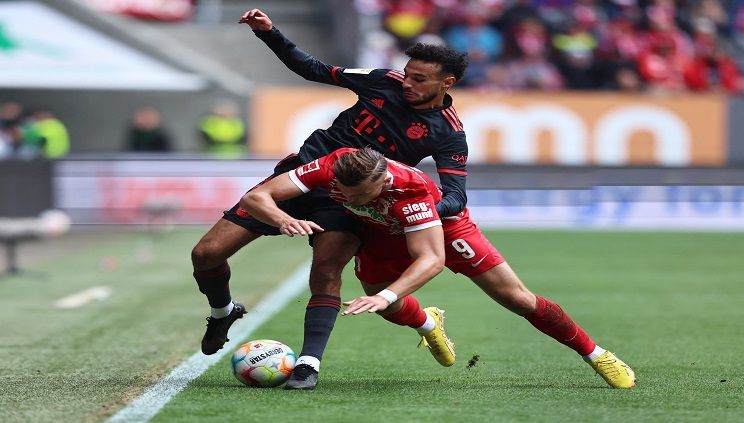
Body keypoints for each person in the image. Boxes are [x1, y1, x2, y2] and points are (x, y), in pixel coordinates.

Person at [190, 7, 469, 390]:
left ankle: (307, 366)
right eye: (407, 74)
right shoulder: (381, 81)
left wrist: (418, 214)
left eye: (419, 79)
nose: (407, 83)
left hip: (351, 200)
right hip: (305, 174)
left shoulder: (449, 133)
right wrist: (268, 32)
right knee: (205, 254)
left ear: (446, 82)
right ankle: (222, 312)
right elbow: (314, 69)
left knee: (326, 272)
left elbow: (456, 196)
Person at [242, 147, 637, 390]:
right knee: (388, 305)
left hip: (444, 230)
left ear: (382, 181)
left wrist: (386, 293)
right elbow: (257, 195)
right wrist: (281, 219)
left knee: (517, 298)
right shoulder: (332, 167)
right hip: (383, 231)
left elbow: (432, 259)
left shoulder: (409, 190)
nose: (347, 198)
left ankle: (595, 354)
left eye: (360, 194)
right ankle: (428, 324)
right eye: (346, 193)